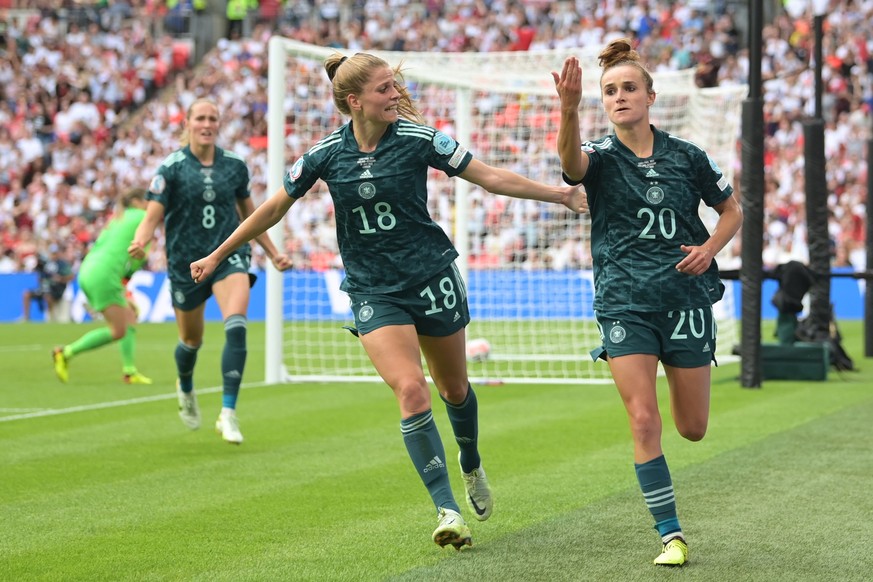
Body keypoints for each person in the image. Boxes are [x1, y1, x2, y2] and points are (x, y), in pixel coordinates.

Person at [190, 52, 587, 549]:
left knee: (456, 389)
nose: (394, 94)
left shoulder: (421, 141)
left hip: (431, 278)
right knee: (411, 390)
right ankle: (447, 510)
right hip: (373, 290)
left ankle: (470, 462)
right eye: (383, 89)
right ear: (354, 101)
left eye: (393, 86)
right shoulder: (324, 154)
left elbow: (489, 176)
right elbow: (272, 207)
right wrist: (218, 252)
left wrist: (560, 195)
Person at [552, 39, 743, 567]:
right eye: (610, 91)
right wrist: (568, 109)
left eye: (629, 88)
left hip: (685, 301)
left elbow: (732, 212)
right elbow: (569, 165)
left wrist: (709, 249)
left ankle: (671, 525)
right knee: (643, 421)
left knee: (693, 428)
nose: (619, 97)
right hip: (623, 304)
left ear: (651, 96)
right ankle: (671, 535)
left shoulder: (687, 156)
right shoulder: (600, 158)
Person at [128, 98, 292, 445]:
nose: (207, 124)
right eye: (200, 118)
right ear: (187, 123)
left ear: (219, 124)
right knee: (191, 340)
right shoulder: (170, 168)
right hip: (184, 264)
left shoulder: (234, 165)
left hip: (228, 257)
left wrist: (274, 253)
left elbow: (251, 216)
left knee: (236, 325)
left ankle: (228, 413)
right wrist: (140, 241)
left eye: (212, 118)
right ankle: (185, 385)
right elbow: (152, 216)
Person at [52, 187, 153, 385]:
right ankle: (65, 352)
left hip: (90, 269)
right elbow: (138, 257)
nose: (151, 204)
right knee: (118, 330)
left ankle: (129, 371)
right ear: (136, 202)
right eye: (147, 200)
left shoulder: (118, 218)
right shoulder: (142, 217)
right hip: (105, 275)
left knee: (129, 317)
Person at [22, 243, 74, 322]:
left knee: (48, 296)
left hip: (57, 290)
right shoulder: (45, 262)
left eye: (55, 253)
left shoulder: (62, 264)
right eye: (52, 253)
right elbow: (36, 271)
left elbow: (71, 276)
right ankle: (26, 318)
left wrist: (61, 279)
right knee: (26, 294)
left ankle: (50, 318)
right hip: (44, 288)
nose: (54, 255)